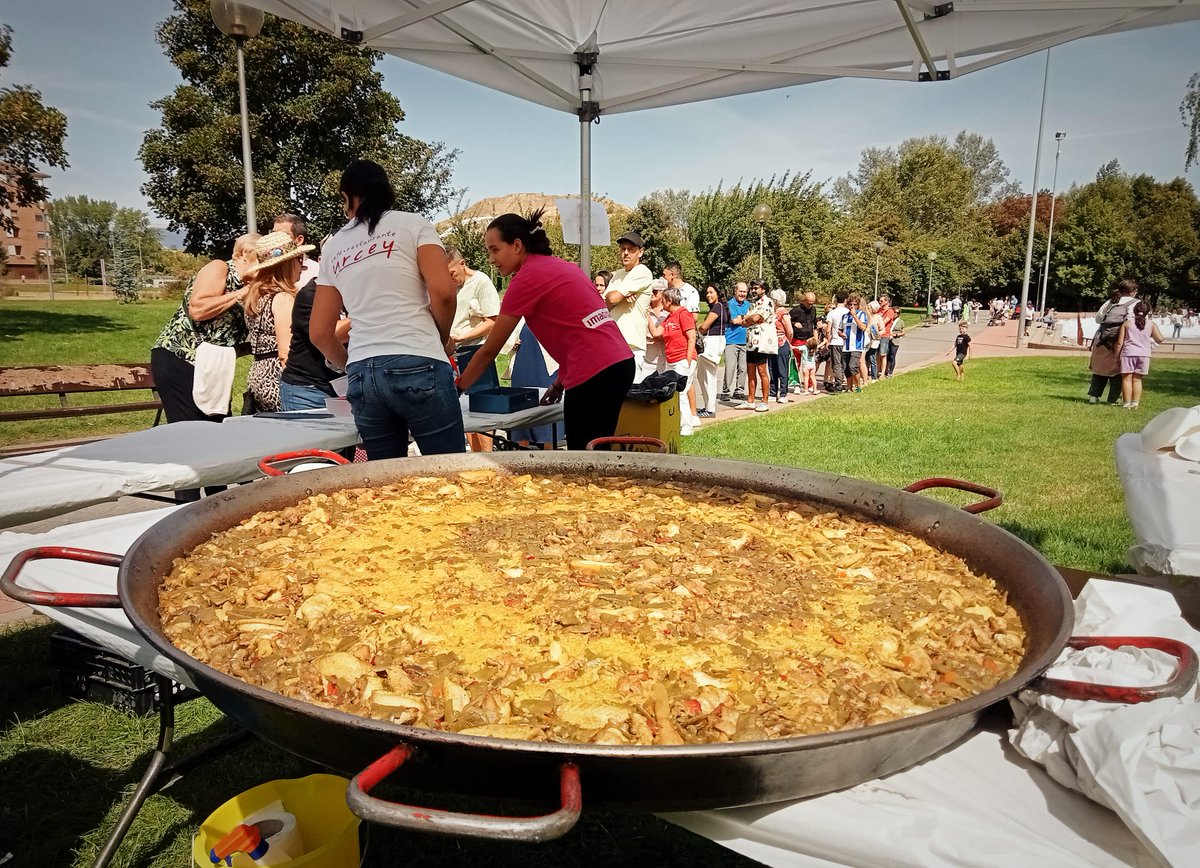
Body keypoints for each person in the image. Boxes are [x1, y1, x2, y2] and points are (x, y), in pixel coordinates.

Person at [310, 158, 464, 460]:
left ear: (347, 198)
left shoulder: (333, 248)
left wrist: (351, 364)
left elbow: (318, 333)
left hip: (363, 374)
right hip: (418, 357)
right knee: (450, 473)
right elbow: (444, 292)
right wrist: (440, 338)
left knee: (386, 482)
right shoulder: (413, 224)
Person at [458, 210, 634, 450]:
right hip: (619, 363)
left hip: (595, 373)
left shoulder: (525, 280)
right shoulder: (563, 266)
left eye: (495, 249)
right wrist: (560, 383)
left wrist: (456, 388)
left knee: (586, 461)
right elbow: (582, 330)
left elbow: (490, 350)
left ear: (517, 245)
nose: (490, 258)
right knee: (597, 452)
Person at [149, 231, 258, 501]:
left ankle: (215, 505)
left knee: (214, 437)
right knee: (190, 439)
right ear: (240, 255)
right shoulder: (219, 267)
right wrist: (242, 292)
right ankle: (186, 507)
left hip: (212, 368)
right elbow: (198, 309)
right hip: (179, 360)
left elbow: (227, 338)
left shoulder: (251, 286)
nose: (260, 268)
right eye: (257, 260)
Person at [280, 236, 352, 411]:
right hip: (307, 391)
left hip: (343, 387)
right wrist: (369, 312)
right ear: (321, 260)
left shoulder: (355, 291)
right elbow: (329, 333)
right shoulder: (311, 294)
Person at [241, 231, 311, 413]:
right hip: (276, 377)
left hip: (257, 373)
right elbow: (285, 351)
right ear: (286, 265)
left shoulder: (256, 296)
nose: (301, 266)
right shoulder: (282, 298)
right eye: (298, 260)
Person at [446, 246, 502, 452]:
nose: (450, 278)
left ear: (462, 263)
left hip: (475, 352)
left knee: (481, 411)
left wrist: (461, 336)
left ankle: (488, 456)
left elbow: (493, 321)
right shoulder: (449, 286)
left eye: (451, 273)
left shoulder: (481, 282)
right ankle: (474, 458)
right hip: (452, 355)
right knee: (462, 412)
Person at [603, 230, 654, 378]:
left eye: (631, 250)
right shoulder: (618, 274)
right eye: (623, 249)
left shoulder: (642, 271)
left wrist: (617, 297)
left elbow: (612, 299)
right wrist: (622, 296)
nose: (626, 253)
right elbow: (607, 303)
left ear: (640, 252)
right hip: (613, 344)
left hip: (632, 347)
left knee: (630, 397)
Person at [648, 286, 699, 434]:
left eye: (663, 301)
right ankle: (677, 422)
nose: (662, 304)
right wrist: (647, 318)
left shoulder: (683, 314)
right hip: (671, 360)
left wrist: (688, 360)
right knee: (673, 392)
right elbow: (656, 333)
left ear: (669, 301)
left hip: (683, 359)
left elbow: (692, 337)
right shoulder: (669, 317)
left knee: (681, 392)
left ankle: (686, 426)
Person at [1087, 279, 1138, 404]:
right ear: (1132, 291)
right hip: (1119, 340)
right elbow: (1132, 323)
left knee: (1099, 370)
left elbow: (1098, 319)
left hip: (1102, 339)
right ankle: (1113, 399)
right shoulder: (1135, 303)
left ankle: (1093, 396)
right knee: (1118, 372)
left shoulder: (1110, 301)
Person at [1116, 300, 1165, 409]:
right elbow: (1160, 339)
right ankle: (1135, 403)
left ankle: (1126, 404)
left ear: (1134, 311)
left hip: (1128, 353)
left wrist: (1117, 356)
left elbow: (1120, 342)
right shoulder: (1151, 324)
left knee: (1126, 379)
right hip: (1144, 354)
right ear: (1148, 312)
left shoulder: (1127, 324)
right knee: (1138, 380)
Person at [737, 280, 775, 412]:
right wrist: (748, 319)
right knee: (750, 370)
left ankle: (765, 401)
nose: (753, 290)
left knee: (762, 371)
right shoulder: (753, 304)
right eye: (752, 288)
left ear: (763, 289)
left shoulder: (767, 302)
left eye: (756, 288)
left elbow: (754, 318)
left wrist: (749, 319)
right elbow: (743, 321)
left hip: (762, 342)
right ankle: (750, 400)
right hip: (751, 341)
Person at [694, 284, 726, 418]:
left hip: (713, 342)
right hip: (714, 341)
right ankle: (708, 406)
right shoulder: (718, 307)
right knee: (703, 376)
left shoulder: (718, 307)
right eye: (707, 293)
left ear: (718, 293)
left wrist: (696, 331)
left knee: (708, 377)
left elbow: (705, 325)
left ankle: (710, 408)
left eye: (711, 292)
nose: (708, 295)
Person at [273, 213, 319, 287]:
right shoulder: (267, 272)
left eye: (283, 235)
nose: (275, 239)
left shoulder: (316, 272)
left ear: (299, 240)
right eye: (273, 234)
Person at [722, 282, 750, 400]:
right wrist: (746, 318)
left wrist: (742, 318)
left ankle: (739, 390)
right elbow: (733, 321)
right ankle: (725, 391)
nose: (742, 294)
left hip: (746, 341)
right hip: (731, 340)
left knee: (743, 368)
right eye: (740, 291)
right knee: (730, 367)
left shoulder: (749, 304)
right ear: (735, 291)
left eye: (744, 292)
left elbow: (754, 318)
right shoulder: (729, 304)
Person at [768, 288, 793, 402]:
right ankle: (773, 392)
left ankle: (783, 394)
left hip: (782, 343)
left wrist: (788, 342)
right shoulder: (772, 312)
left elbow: (790, 331)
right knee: (772, 369)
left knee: (782, 370)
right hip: (771, 344)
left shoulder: (784, 313)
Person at [824, 290, 849, 392]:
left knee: (836, 364)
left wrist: (827, 340)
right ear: (846, 300)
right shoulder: (848, 312)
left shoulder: (832, 313)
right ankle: (845, 382)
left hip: (835, 341)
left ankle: (839, 383)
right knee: (844, 363)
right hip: (846, 342)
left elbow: (828, 329)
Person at [876, 294, 898, 378]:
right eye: (879, 300)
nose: (879, 302)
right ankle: (877, 371)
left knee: (883, 354)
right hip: (877, 334)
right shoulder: (879, 310)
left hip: (885, 335)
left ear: (887, 301)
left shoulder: (890, 311)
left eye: (881, 301)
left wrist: (876, 326)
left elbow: (884, 322)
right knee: (877, 354)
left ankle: (883, 372)